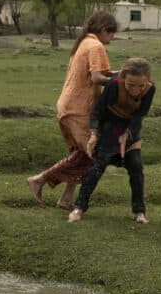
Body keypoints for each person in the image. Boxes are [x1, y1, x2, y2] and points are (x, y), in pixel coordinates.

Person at [27, 11, 117, 209]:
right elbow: (97, 78)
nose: (111, 40)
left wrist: (122, 73)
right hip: (80, 109)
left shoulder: (84, 43)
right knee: (92, 152)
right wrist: (121, 82)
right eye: (111, 35)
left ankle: (66, 197)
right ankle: (39, 179)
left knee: (81, 154)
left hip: (67, 105)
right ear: (104, 30)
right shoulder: (96, 46)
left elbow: (100, 73)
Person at [68, 58, 155, 224]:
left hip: (130, 131)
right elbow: (97, 112)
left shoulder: (150, 89)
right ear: (123, 78)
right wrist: (93, 134)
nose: (136, 90)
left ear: (148, 81)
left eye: (140, 86)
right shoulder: (113, 85)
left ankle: (139, 212)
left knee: (136, 166)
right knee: (96, 167)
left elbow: (139, 115)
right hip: (109, 129)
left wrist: (127, 134)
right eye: (131, 85)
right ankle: (79, 208)